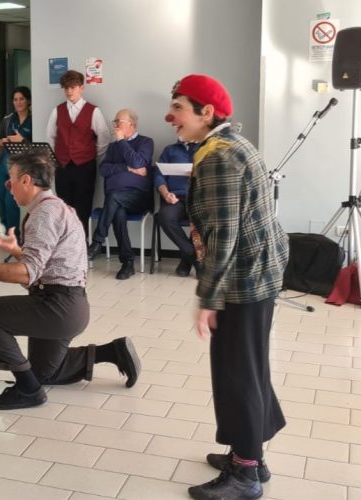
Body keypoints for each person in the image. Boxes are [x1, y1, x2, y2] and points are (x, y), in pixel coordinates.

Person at [0, 150, 141, 410]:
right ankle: (112, 351)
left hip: (58, 307)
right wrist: (16, 251)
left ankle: (28, 390)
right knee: (45, 373)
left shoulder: (44, 214)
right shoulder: (54, 207)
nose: (7, 185)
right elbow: (46, 261)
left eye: (10, 178)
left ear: (26, 180)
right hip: (70, 305)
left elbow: (27, 272)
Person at [166, 74, 289, 500]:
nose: (171, 117)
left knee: (237, 371)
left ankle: (245, 473)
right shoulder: (233, 143)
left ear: (207, 112)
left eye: (179, 107)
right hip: (259, 273)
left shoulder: (219, 156)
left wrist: (208, 296)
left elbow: (224, 235)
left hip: (244, 279)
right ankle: (249, 451)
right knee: (249, 366)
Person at [87, 109, 153, 280]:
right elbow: (104, 169)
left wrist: (122, 141)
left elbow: (138, 161)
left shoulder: (146, 142)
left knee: (114, 198)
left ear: (131, 124)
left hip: (138, 197)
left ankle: (97, 242)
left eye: (119, 121)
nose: (115, 124)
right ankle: (128, 262)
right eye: (114, 121)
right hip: (117, 200)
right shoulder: (112, 146)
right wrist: (127, 168)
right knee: (118, 211)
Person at [45, 69, 110, 238]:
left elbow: (104, 138)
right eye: (66, 88)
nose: (69, 91)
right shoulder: (57, 111)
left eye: (73, 87)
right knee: (64, 206)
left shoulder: (93, 111)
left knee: (83, 205)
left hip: (85, 166)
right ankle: (65, 243)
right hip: (62, 166)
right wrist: (55, 160)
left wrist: (90, 155)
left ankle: (82, 243)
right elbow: (50, 137)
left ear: (82, 88)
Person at [153, 140, 201, 277]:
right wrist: (165, 193)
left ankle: (186, 262)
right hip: (175, 198)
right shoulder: (169, 149)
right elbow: (158, 175)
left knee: (201, 216)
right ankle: (193, 256)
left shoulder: (206, 147)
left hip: (198, 199)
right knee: (164, 216)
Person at [0, 86, 32, 239]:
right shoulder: (8, 119)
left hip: (20, 166)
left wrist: (23, 140)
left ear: (28, 101)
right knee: (2, 200)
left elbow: (37, 145)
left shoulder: (33, 120)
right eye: (15, 100)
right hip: (2, 163)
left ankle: (14, 234)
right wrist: (1, 141)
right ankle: (4, 231)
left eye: (22, 99)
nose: (19, 102)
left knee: (11, 200)